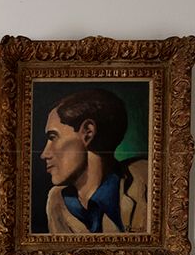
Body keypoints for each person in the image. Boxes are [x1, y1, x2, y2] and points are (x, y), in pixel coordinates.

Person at [39, 85, 148, 237]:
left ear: (88, 132)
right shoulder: (57, 203)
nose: (44, 154)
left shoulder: (147, 180)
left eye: (53, 137)